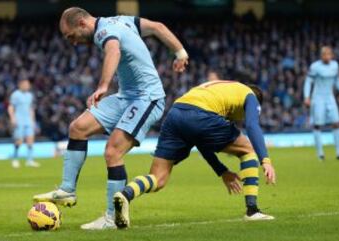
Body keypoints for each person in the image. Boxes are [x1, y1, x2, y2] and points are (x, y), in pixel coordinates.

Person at [33, 7, 188, 230]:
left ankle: (111, 219)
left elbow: (113, 51)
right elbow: (157, 27)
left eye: (72, 37)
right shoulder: (122, 20)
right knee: (78, 128)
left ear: (82, 24)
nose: (74, 43)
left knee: (112, 151)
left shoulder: (104, 32)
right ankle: (67, 190)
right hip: (127, 96)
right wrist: (180, 53)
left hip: (147, 98)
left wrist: (103, 86)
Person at [113, 80, 276, 229]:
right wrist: (265, 160)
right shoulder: (250, 96)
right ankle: (252, 210)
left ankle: (126, 194)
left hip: (175, 114)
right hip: (201, 115)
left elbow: (202, 142)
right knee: (247, 150)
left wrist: (222, 171)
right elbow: (253, 126)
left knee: (158, 178)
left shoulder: (223, 89)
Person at [303, 46, 339, 161]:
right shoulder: (315, 67)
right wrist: (307, 97)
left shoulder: (335, 65)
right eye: (324, 54)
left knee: (336, 123)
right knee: (317, 125)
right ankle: (320, 154)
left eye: (328, 54)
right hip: (318, 98)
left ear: (331, 55)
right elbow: (308, 82)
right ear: (321, 55)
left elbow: (336, 80)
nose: (326, 56)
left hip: (330, 97)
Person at [8, 79, 39, 168]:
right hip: (19, 120)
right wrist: (12, 118)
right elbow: (10, 107)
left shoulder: (30, 95)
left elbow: (31, 109)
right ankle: (15, 159)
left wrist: (33, 121)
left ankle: (29, 160)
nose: (27, 86)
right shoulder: (15, 94)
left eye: (28, 85)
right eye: (25, 84)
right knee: (19, 141)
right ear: (20, 85)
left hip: (28, 121)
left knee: (30, 140)